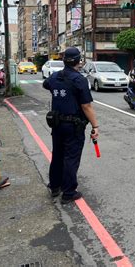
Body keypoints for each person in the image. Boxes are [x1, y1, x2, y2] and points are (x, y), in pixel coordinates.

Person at [43, 47, 99, 204]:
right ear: (78, 61)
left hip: (57, 124)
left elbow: (46, 85)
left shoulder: (54, 77)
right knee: (71, 158)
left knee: (58, 155)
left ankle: (55, 186)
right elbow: (86, 106)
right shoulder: (79, 80)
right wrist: (95, 126)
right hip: (73, 126)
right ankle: (68, 192)